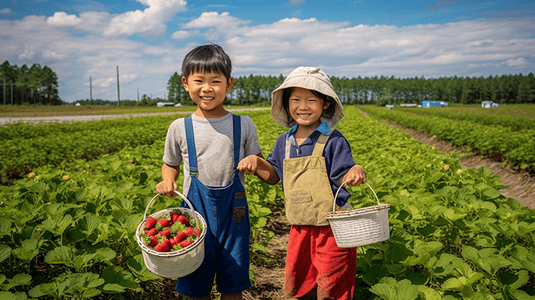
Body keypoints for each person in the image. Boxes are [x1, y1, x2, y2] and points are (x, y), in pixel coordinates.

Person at [237, 66, 366, 300]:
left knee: (332, 282)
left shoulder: (333, 140)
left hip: (332, 228)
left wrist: (355, 170)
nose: (303, 106)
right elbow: (274, 175)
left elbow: (344, 173)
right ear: (287, 104)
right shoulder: (283, 142)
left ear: (325, 103)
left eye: (311, 100)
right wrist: (256, 163)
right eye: (295, 99)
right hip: (300, 225)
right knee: (301, 282)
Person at [156, 44, 263, 300]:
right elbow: (170, 163)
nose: (207, 88)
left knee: (233, 286)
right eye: (199, 81)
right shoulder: (180, 127)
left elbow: (264, 168)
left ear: (229, 84)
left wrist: (255, 162)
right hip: (193, 218)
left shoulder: (243, 124)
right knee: (196, 287)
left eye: (215, 81)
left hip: (234, 221)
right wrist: (167, 180)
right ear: (185, 83)